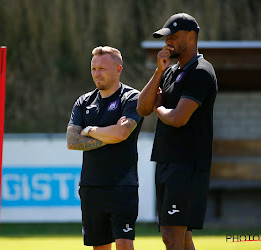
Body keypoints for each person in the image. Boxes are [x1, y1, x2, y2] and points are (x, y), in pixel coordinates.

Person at [137, 13, 217, 250]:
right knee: (180, 238)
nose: (167, 42)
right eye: (166, 38)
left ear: (191, 36)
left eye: (173, 37)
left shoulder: (201, 71)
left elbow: (178, 118)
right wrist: (158, 71)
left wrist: (159, 106)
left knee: (171, 236)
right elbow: (142, 108)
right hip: (166, 161)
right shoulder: (171, 71)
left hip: (187, 165)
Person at [67, 46, 143, 250]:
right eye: (93, 69)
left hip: (122, 186)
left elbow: (121, 133)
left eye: (102, 68)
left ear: (118, 69)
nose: (96, 74)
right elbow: (72, 141)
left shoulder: (132, 98)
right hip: (91, 187)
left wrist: (89, 129)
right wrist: (109, 134)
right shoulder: (83, 102)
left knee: (124, 245)